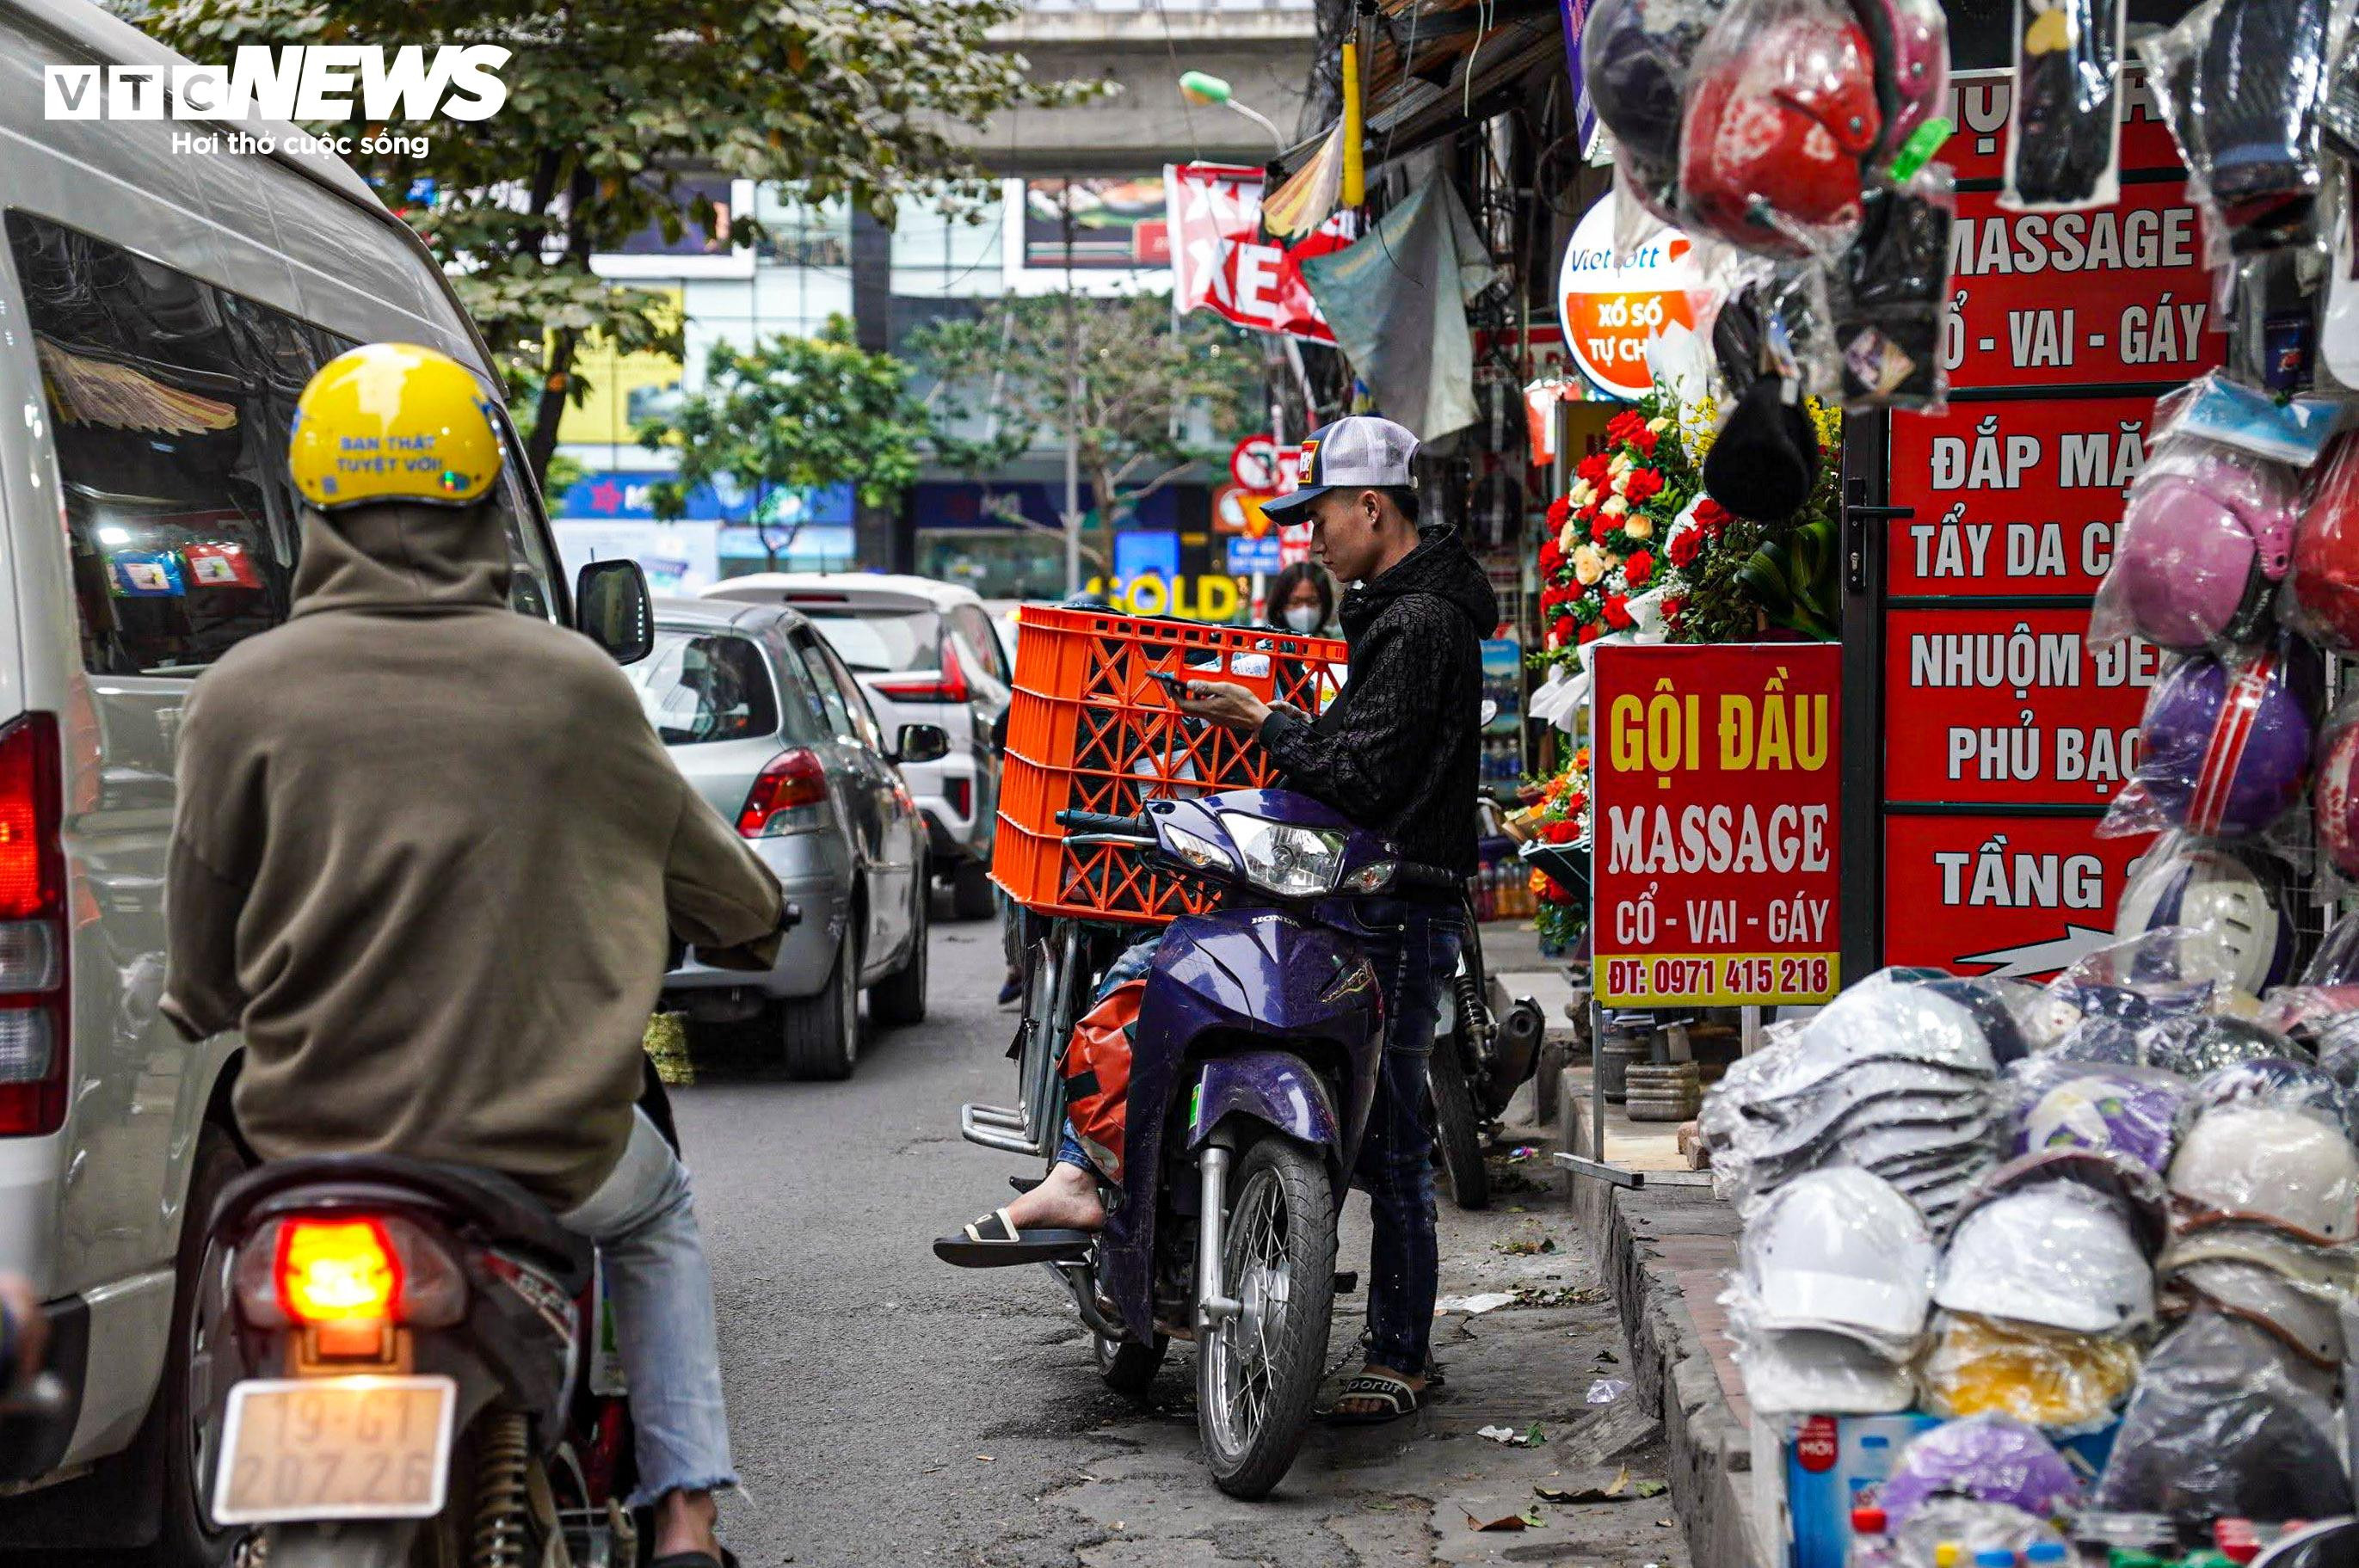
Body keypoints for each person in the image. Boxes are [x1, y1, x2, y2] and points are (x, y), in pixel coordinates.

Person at [161, 343, 785, 1568]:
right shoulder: (570, 683)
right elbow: (718, 882)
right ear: (486, 498)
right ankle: (685, 1519)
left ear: (309, 503)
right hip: (547, 1151)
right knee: (657, 1217)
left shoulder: (239, 691)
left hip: (315, 1149)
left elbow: (205, 956)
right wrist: (749, 916)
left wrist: (214, 996)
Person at [973, 415, 1496, 1425]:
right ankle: (1101, 1183)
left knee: (1390, 1142)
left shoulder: (1420, 624)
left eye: (1321, 516)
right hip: (1369, 893)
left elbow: (1361, 770)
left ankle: (1402, 1348)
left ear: (1371, 508)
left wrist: (1265, 721)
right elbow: (1351, 754)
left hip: (1396, 904)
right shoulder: (1397, 614)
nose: (1312, 537)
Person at [1265, 559, 1338, 636]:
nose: (1305, 610)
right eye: (1295, 602)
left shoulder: (1339, 644)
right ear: (1279, 605)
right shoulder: (1264, 646)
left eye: (1312, 602)